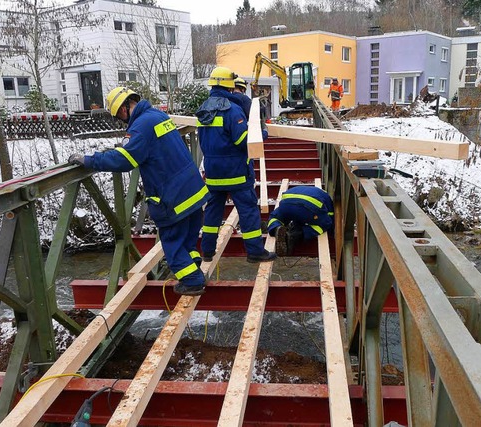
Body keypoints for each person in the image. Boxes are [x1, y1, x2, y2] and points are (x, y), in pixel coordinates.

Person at [68, 87, 209, 296]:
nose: (122, 121)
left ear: (124, 110)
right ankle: (194, 269)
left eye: (119, 117)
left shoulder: (141, 127)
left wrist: (90, 160)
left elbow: (125, 159)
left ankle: (192, 280)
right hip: (193, 190)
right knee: (187, 238)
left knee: (172, 242)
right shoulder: (158, 115)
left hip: (173, 196)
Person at [195, 66, 276, 264]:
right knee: (248, 211)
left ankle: (207, 250)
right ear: (229, 86)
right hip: (236, 173)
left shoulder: (204, 109)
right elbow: (242, 141)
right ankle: (255, 251)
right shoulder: (232, 110)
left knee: (213, 212)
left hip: (213, 172)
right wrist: (261, 135)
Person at [267, 186, 334, 256]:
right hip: (308, 207)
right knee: (326, 224)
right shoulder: (326, 196)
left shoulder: (305, 190)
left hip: (286, 202)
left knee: (275, 217)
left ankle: (276, 228)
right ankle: (294, 235)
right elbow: (330, 217)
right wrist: (331, 233)